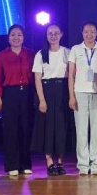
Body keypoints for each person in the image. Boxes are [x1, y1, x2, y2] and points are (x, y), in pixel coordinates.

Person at [0, 24, 35, 176]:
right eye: (13, 35)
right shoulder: (1, 55)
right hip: (9, 94)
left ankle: (25, 164)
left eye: (19, 35)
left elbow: (35, 76)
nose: (16, 37)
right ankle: (12, 165)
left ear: (24, 38)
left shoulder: (31, 54)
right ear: (8, 38)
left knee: (25, 129)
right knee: (10, 130)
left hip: (27, 93)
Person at [31, 24, 72, 176]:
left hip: (63, 91)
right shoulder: (40, 54)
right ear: (46, 35)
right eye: (50, 33)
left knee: (61, 127)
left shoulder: (68, 52)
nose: (53, 36)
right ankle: (49, 162)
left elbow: (72, 75)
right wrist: (41, 100)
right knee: (47, 127)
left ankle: (60, 162)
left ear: (61, 34)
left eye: (56, 33)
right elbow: (37, 79)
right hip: (47, 91)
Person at [69, 21, 97, 176]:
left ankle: (95, 164)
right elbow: (71, 75)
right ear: (82, 33)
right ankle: (83, 165)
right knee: (81, 131)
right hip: (80, 93)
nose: (89, 34)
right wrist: (71, 96)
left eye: (92, 31)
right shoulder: (76, 49)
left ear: (96, 33)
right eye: (86, 31)